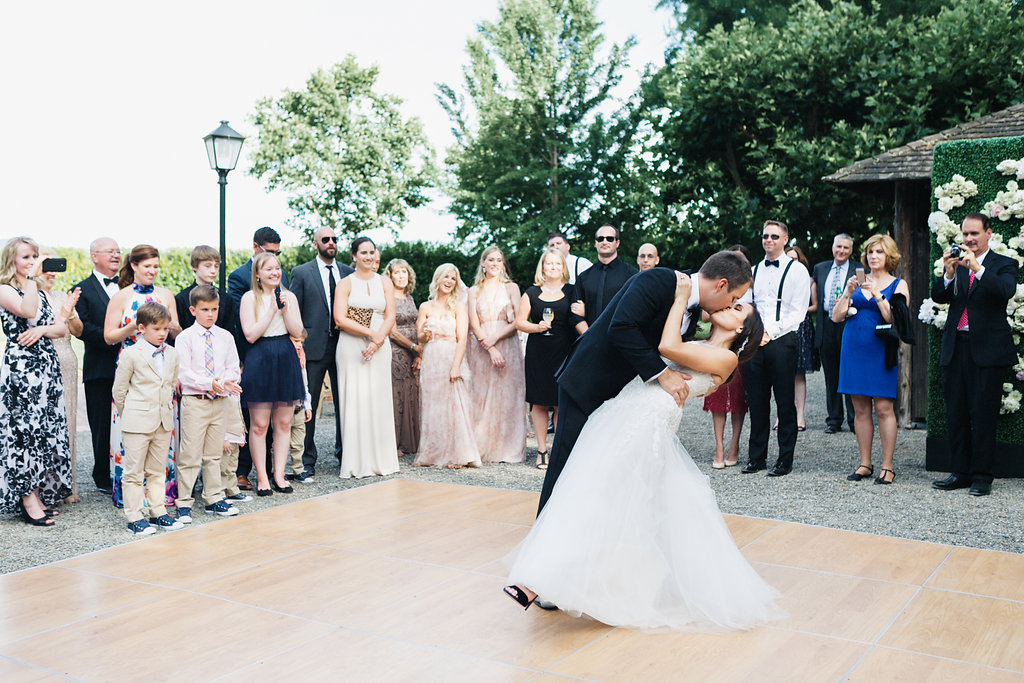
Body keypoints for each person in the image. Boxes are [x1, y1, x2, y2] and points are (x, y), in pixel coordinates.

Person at [503, 282, 782, 632]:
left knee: (603, 497)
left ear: (741, 329)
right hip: (624, 410)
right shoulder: (699, 342)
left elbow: (666, 346)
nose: (730, 306)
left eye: (738, 309)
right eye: (732, 302)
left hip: (647, 422)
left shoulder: (725, 360)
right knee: (599, 496)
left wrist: (680, 297)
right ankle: (567, 582)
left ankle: (538, 583)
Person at [539, 251, 753, 514]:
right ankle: (545, 534)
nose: (729, 304)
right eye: (733, 298)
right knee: (566, 464)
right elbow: (621, 326)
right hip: (588, 382)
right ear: (720, 284)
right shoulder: (659, 280)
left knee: (596, 472)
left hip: (623, 398)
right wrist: (662, 374)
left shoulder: (692, 307)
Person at [931, 214, 1017, 496]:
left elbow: (1004, 291)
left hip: (987, 351)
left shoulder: (1003, 264)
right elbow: (939, 297)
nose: (968, 239)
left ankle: (982, 476)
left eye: (974, 234)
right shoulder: (957, 264)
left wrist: (977, 268)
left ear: (988, 233)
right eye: (965, 234)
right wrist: (949, 273)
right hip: (956, 348)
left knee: (983, 414)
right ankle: (960, 472)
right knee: (956, 413)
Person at [0, 237, 72, 526]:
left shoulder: (39, 291)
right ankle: (27, 498)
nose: (32, 261)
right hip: (22, 370)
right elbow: (27, 311)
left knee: (44, 429)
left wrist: (42, 330)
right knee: (25, 433)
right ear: (12, 260)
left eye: (34, 256)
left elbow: (60, 328)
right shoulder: (5, 289)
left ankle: (39, 493)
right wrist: (31, 279)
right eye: (26, 257)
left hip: (46, 367)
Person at [104, 245, 181, 508]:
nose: (153, 271)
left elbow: (175, 332)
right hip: (132, 366)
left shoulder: (166, 295)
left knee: (161, 431)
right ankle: (131, 496)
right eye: (147, 266)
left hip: (160, 369)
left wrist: (171, 327)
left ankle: (160, 496)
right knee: (133, 431)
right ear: (134, 266)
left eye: (156, 266)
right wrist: (135, 325)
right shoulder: (121, 297)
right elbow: (108, 336)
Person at [832, 235, 911, 486]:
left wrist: (877, 294)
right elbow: (836, 316)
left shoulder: (898, 284)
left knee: (884, 408)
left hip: (880, 349)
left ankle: (887, 466)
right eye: (869, 252)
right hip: (853, 347)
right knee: (860, 409)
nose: (872, 256)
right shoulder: (855, 282)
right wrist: (847, 293)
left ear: (889, 256)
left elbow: (894, 319)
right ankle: (865, 463)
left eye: (878, 252)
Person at [741, 220, 810, 478]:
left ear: (785, 239)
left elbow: (798, 311)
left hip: (782, 341)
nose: (768, 240)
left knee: (784, 402)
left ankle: (784, 459)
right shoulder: (754, 270)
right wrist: (752, 333)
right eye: (765, 236)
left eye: (774, 236)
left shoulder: (797, 271)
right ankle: (756, 457)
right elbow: (746, 304)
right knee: (757, 402)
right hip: (754, 342)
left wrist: (772, 332)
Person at [111, 301, 182, 535]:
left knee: (157, 470)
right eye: (157, 329)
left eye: (165, 329)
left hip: (162, 421)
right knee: (133, 472)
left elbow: (170, 384)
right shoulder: (131, 354)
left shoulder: (172, 353)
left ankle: (158, 512)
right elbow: (119, 391)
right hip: (137, 422)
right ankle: (134, 516)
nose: (162, 333)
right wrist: (131, 413)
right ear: (141, 328)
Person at [238, 252, 305, 496]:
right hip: (260, 356)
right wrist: (271, 310)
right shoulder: (249, 298)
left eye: (277, 268)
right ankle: (262, 478)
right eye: (269, 269)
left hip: (285, 355)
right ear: (257, 274)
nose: (275, 272)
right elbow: (250, 335)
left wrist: (285, 310)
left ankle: (279, 475)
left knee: (284, 422)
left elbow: (298, 331)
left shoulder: (289, 297)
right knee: (259, 424)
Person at [289, 227, 353, 480]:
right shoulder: (302, 273)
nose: (331, 243)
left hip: (345, 347)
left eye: (335, 239)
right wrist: (298, 344)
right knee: (309, 405)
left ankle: (346, 453)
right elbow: (296, 311)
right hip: (313, 348)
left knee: (346, 403)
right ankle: (307, 459)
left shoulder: (348, 273)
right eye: (325, 239)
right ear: (315, 244)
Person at [174, 285, 242, 522]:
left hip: (220, 401)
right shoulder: (185, 338)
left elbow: (233, 366)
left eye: (214, 309)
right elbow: (184, 373)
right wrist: (211, 382)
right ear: (193, 310)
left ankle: (214, 497)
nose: (210, 314)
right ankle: (183, 502)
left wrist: (227, 382)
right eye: (205, 310)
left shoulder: (225, 336)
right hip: (196, 401)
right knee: (190, 454)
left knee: (213, 454)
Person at [333, 237, 399, 479]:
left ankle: (382, 460)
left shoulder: (385, 282)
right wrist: (372, 334)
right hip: (352, 346)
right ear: (354, 255)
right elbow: (340, 319)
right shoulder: (345, 283)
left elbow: (391, 315)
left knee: (379, 399)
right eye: (363, 252)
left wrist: (379, 339)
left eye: (372, 252)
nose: (369, 257)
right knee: (355, 398)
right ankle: (356, 462)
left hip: (380, 345)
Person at [414, 264, 482, 469]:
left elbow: (462, 339)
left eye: (453, 278)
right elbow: (419, 337)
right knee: (433, 406)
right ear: (438, 279)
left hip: (452, 355)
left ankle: (457, 454)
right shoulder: (425, 307)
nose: (449, 281)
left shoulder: (458, 307)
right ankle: (433, 453)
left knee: (454, 405)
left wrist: (456, 366)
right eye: (446, 277)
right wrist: (424, 335)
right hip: (432, 357)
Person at [467, 246, 526, 463]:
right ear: (483, 263)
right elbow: (474, 323)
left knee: (508, 394)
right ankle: (483, 447)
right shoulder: (473, 291)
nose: (494, 264)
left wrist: (497, 339)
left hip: (508, 344)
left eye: (498, 260)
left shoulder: (511, 288)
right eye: (490, 260)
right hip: (482, 348)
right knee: (482, 396)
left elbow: (518, 320)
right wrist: (490, 347)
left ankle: (507, 449)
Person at [517, 248, 575, 469]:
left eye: (557, 264)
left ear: (563, 267)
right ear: (542, 267)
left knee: (561, 403)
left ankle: (559, 450)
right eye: (549, 264)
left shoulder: (572, 291)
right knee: (540, 402)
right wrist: (536, 327)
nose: (553, 267)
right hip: (538, 354)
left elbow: (578, 316)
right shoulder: (531, 293)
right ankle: (542, 450)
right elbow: (520, 322)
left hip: (565, 352)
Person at [72, 237, 122, 493]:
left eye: (118, 251)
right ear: (94, 256)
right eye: (109, 251)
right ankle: (102, 475)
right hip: (100, 369)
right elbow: (82, 329)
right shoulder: (81, 289)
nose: (116, 255)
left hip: (132, 369)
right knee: (101, 424)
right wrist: (114, 337)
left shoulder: (130, 287)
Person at [38, 248, 83, 501]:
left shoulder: (60, 296)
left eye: (55, 265)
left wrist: (71, 312)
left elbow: (78, 331)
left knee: (68, 421)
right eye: (46, 264)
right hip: (43, 362)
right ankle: (44, 488)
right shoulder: (27, 297)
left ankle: (67, 486)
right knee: (44, 426)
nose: (51, 271)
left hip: (66, 360)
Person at [702, 244, 751, 469]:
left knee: (739, 394)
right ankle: (719, 446)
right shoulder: (717, 284)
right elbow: (703, 315)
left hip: (741, 342)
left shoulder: (751, 287)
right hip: (718, 340)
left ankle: (734, 444)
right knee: (718, 394)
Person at [812, 234, 857, 434]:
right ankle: (833, 420)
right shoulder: (820, 268)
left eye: (846, 248)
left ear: (851, 250)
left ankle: (855, 420)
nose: (842, 251)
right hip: (826, 324)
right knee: (831, 375)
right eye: (839, 246)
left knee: (851, 373)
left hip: (849, 323)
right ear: (832, 247)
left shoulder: (858, 270)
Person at [385, 258, 421, 458]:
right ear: (390, 276)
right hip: (395, 352)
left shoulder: (410, 298)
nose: (401, 276)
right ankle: (394, 442)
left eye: (404, 272)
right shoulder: (387, 297)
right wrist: (413, 347)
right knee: (395, 396)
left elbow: (418, 327)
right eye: (397, 273)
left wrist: (418, 353)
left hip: (412, 353)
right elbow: (392, 332)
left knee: (411, 393)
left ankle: (409, 441)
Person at [572, 225, 638, 332]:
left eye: (610, 239)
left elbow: (637, 308)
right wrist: (590, 338)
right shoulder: (584, 277)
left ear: (617, 243)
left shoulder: (631, 274)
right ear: (595, 243)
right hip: (590, 341)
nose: (604, 242)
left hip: (621, 340)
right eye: (600, 238)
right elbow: (575, 316)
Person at [782, 245, 817, 432]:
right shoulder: (778, 279)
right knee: (781, 373)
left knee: (798, 372)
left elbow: (816, 305)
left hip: (801, 326)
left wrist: (800, 309)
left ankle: (800, 416)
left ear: (800, 260)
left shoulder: (809, 280)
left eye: (794, 259)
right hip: (782, 326)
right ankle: (783, 416)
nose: (791, 262)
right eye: (788, 258)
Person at [175, 245, 235, 332]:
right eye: (207, 266)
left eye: (216, 266)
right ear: (194, 266)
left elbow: (230, 331)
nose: (213, 271)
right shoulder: (181, 299)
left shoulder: (225, 298)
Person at [286, 331, 313, 480]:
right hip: (284, 408)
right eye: (295, 341)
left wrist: (307, 406)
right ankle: (280, 470)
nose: (298, 345)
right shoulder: (284, 361)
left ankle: (298, 469)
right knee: (279, 443)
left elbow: (305, 385)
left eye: (301, 342)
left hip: (299, 408)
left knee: (298, 442)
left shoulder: (301, 361)